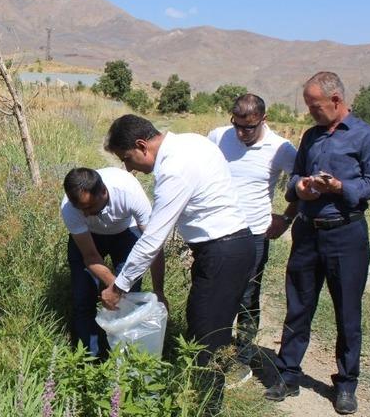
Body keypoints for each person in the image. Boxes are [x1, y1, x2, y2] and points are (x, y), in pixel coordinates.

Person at [102, 114, 255, 412]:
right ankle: (205, 402)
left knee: (205, 340)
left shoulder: (173, 169)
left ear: (142, 145)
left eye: (127, 158)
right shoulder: (193, 142)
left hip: (222, 250)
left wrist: (119, 287)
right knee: (210, 330)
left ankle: (205, 407)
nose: (129, 168)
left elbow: (152, 239)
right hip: (230, 247)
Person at [264, 72, 370, 415]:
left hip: (346, 235)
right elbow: (295, 179)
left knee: (347, 312)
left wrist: (340, 188)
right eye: (308, 105)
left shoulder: (366, 137)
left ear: (335, 101)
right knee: (298, 305)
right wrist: (300, 188)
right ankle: (288, 374)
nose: (310, 112)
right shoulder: (311, 136)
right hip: (306, 232)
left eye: (314, 106)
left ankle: (346, 385)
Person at [207, 93, 298, 386]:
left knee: (246, 297)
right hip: (217, 231)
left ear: (263, 120)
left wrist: (286, 218)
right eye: (238, 125)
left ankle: (242, 358)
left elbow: (301, 183)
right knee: (215, 293)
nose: (242, 132)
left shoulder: (281, 148)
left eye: (250, 126)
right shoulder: (219, 137)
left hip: (254, 235)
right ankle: (213, 351)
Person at [60, 167, 166, 358]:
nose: (85, 214)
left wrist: (158, 290)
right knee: (83, 299)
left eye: (90, 207)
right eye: (80, 209)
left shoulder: (129, 193)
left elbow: (153, 244)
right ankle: (90, 360)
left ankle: (126, 359)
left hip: (126, 233)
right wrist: (115, 286)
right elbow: (91, 256)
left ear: (103, 192)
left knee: (128, 298)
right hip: (89, 238)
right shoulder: (70, 207)